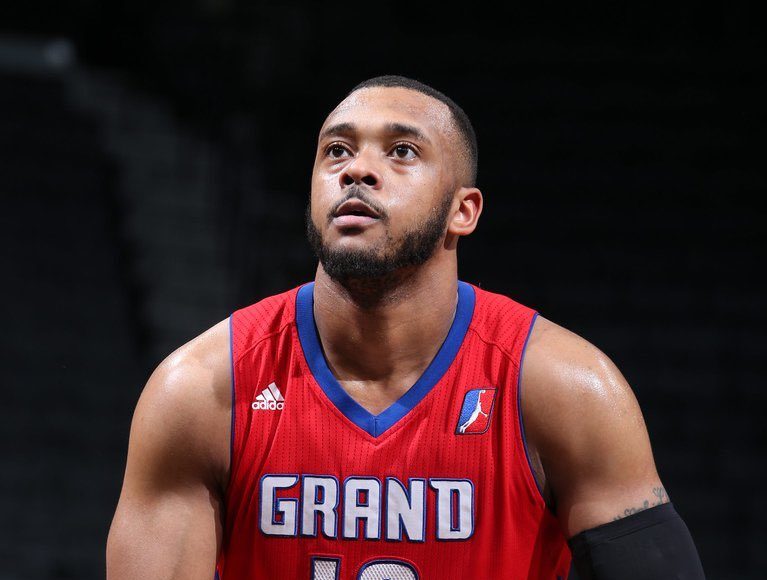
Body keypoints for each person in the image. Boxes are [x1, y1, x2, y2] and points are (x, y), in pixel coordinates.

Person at [106, 74, 706, 579]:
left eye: (401, 152)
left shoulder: (564, 388)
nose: (357, 170)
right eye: (336, 151)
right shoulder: (201, 391)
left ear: (462, 211)